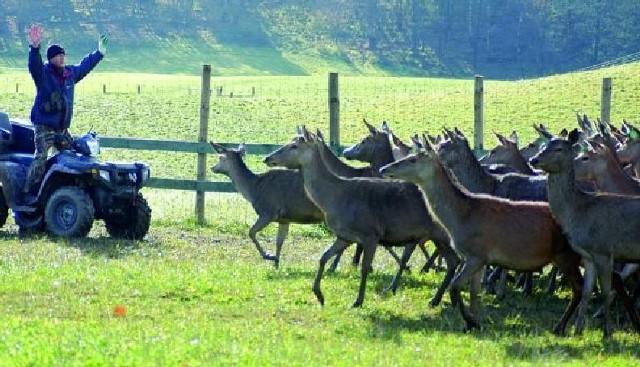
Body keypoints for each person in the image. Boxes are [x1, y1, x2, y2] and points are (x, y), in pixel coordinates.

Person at [22, 24, 108, 203]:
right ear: (51, 58)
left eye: (63, 55)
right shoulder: (43, 74)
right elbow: (33, 65)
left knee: (74, 156)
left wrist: (98, 53)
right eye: (57, 56)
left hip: (61, 130)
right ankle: (28, 192)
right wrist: (35, 47)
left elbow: (84, 66)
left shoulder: (69, 74)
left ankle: (68, 190)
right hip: (44, 127)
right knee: (41, 157)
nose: (61, 58)